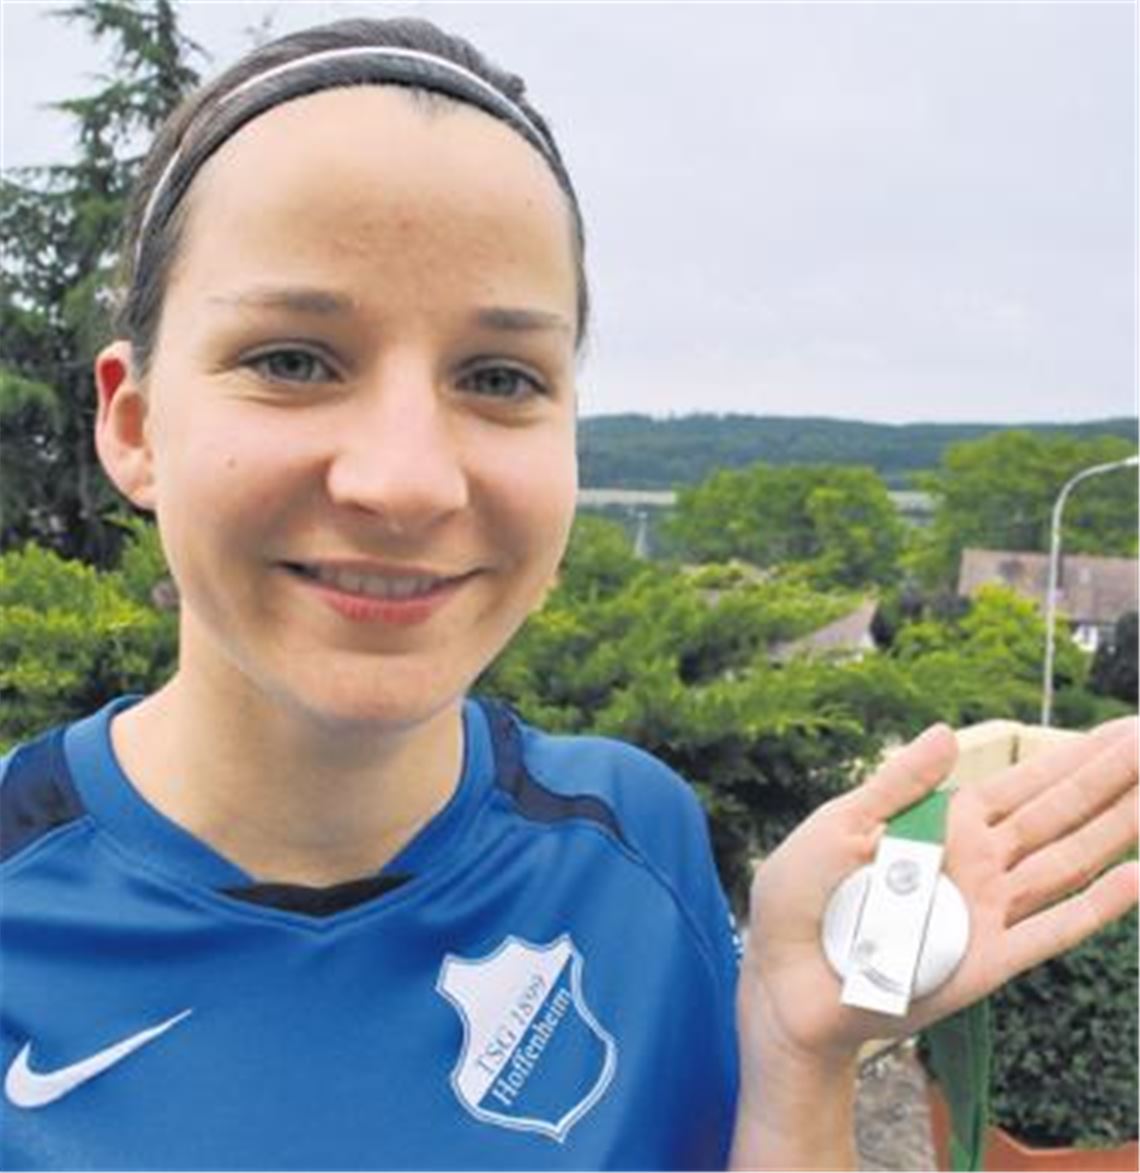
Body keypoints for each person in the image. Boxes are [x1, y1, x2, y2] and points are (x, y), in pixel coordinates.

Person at [1, 16, 1135, 1172]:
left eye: (499, 378)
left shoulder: (635, 841)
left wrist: (800, 1056)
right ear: (134, 424)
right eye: (293, 359)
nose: (405, 480)